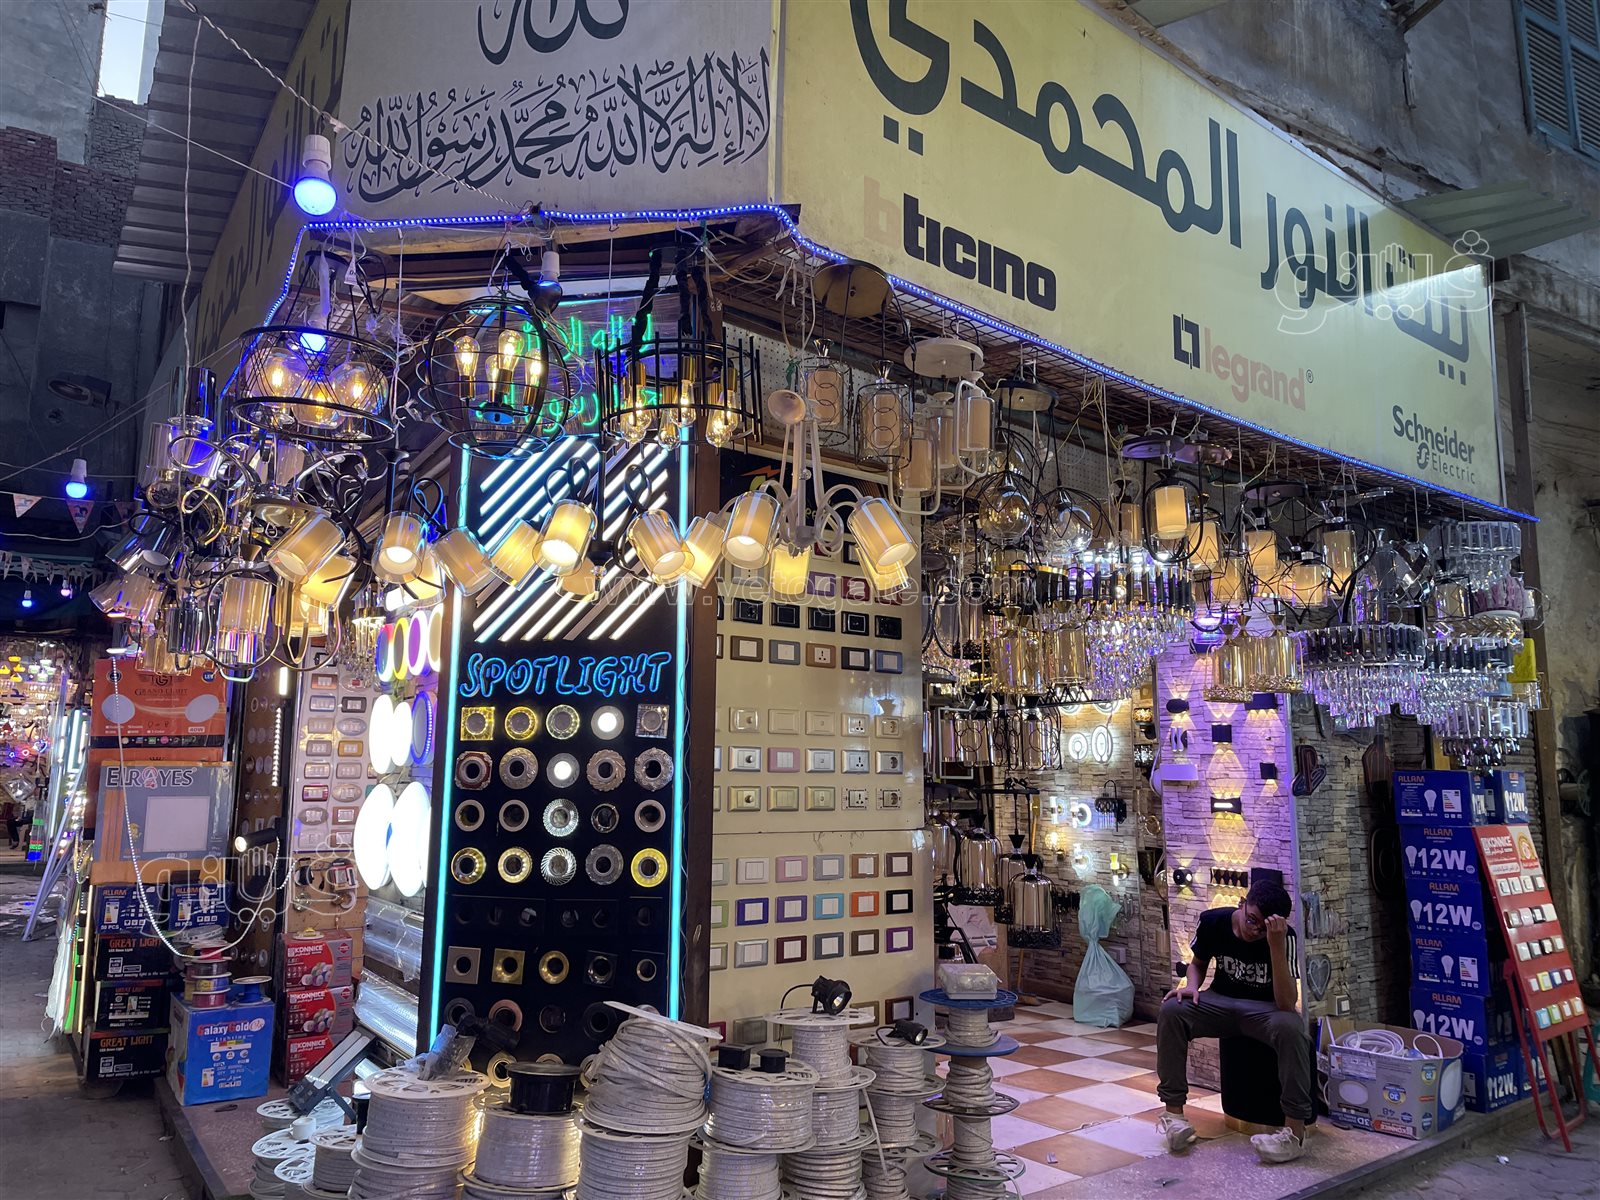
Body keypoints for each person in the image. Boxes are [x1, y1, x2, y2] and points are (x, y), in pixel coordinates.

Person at [1156, 878, 1310, 1164]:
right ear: (1242, 904)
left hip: (1264, 1010)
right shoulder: (1213, 921)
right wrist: (1192, 986)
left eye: (1264, 927)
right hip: (1221, 1002)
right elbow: (1197, 964)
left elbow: (1286, 1003)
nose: (1255, 930)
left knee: (1292, 1027)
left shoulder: (1283, 937)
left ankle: (1294, 1133)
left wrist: (1275, 945)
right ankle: (1173, 1116)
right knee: (1172, 1011)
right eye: (1252, 920)